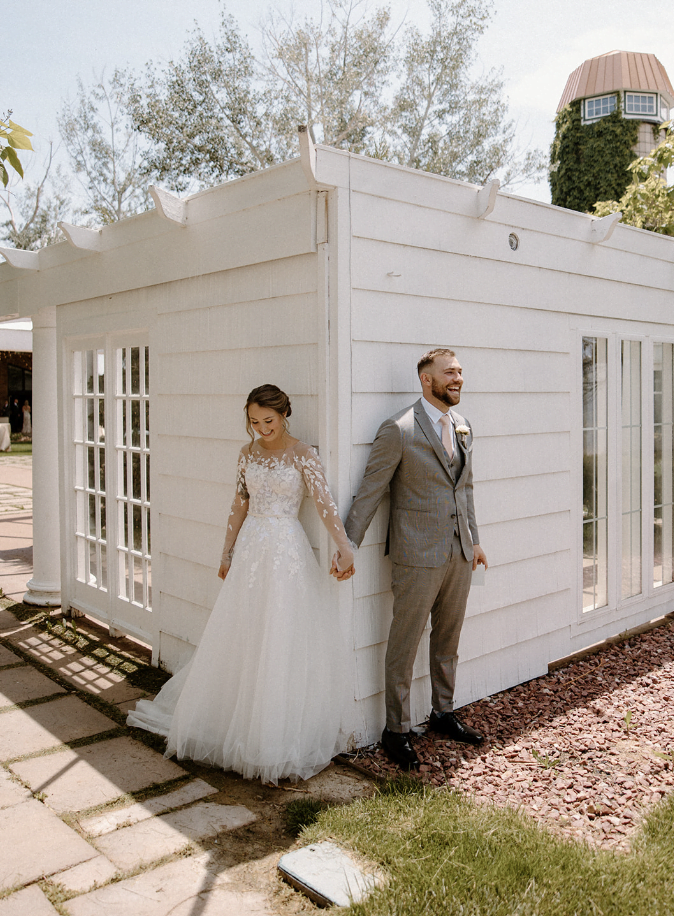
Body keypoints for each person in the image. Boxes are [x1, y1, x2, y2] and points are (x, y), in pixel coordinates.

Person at [128, 384, 355, 784]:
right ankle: (234, 722)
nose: (261, 428)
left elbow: (324, 503)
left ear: (285, 414)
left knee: (280, 634)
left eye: (268, 420)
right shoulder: (246, 454)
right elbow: (240, 503)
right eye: (253, 422)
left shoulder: (303, 454)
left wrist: (344, 546)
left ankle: (273, 732)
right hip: (251, 548)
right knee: (244, 632)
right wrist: (226, 552)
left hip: (286, 550)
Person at [338, 348, 488, 770]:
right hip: (415, 555)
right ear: (426, 379)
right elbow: (371, 491)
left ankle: (442, 713)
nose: (458, 379)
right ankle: (396, 730)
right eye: (449, 373)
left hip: (458, 553)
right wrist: (348, 544)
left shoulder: (462, 425)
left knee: (448, 639)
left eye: (460, 372)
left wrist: (474, 541)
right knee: (404, 644)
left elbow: (466, 488)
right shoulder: (399, 429)